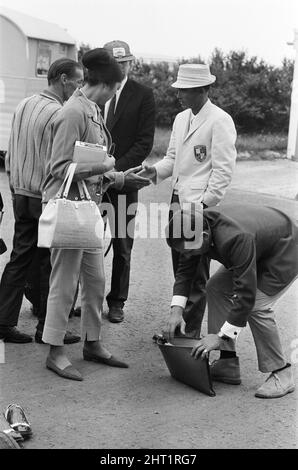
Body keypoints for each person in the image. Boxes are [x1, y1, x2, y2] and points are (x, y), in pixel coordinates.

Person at [42, 48, 150, 381]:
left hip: (88, 208)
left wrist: (118, 177)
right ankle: (55, 350)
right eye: (115, 88)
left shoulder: (91, 110)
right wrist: (103, 166)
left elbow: (91, 163)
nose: (116, 93)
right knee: (65, 282)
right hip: (72, 209)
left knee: (95, 280)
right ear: (103, 84)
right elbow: (58, 168)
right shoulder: (74, 112)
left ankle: (92, 342)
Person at [139, 63, 237, 336]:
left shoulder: (220, 120)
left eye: (184, 90)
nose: (178, 95)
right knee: (180, 267)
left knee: (195, 271)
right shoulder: (182, 118)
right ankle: (181, 324)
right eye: (179, 90)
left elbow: (222, 170)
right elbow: (173, 158)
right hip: (176, 200)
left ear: (202, 90)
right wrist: (154, 170)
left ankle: (189, 334)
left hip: (197, 206)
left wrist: (203, 205)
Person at [164, 202, 298, 398]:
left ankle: (282, 372)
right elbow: (185, 272)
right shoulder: (194, 229)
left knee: (257, 306)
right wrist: (176, 311)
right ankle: (227, 362)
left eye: (189, 250)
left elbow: (245, 294)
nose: (187, 255)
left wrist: (220, 336)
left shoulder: (235, 238)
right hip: (259, 246)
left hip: (286, 250)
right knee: (216, 287)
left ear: (204, 237)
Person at [0, 59, 84, 344]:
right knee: (51, 263)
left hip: (20, 192)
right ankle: (47, 329)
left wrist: (14, 186)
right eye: (77, 81)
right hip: (43, 196)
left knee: (19, 258)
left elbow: (10, 150)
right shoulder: (58, 113)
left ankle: (4, 321)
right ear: (63, 79)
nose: (79, 87)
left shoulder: (24, 104)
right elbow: (56, 162)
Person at [102, 40, 155, 323]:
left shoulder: (142, 95)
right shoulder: (92, 92)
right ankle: (81, 299)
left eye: (125, 63)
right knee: (84, 242)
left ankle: (117, 301)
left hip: (124, 182)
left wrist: (115, 172)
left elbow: (144, 142)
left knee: (123, 245)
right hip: (91, 181)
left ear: (130, 64)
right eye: (116, 63)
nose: (121, 68)